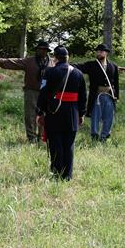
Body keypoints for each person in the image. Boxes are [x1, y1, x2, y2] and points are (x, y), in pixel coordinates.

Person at [36, 46, 86, 180]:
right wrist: (81, 114)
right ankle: (67, 175)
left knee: (55, 143)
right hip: (72, 113)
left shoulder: (50, 72)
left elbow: (43, 93)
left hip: (54, 111)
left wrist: (40, 112)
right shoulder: (78, 73)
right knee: (69, 145)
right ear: (67, 58)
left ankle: (57, 172)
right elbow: (83, 97)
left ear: (55, 58)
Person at [0, 40, 55, 143]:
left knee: (45, 115)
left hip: (46, 93)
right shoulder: (29, 61)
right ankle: (32, 138)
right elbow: (15, 62)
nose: (39, 51)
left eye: (42, 49)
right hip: (31, 92)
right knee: (30, 115)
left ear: (46, 51)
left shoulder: (52, 63)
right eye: (38, 49)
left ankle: (42, 137)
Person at [72, 43, 119, 142]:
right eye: (97, 51)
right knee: (95, 117)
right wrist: (66, 64)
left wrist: (116, 96)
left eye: (101, 51)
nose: (99, 53)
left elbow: (116, 83)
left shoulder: (113, 66)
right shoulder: (91, 65)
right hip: (96, 95)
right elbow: (79, 66)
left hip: (109, 95)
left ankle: (105, 136)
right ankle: (94, 135)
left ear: (106, 53)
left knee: (109, 117)